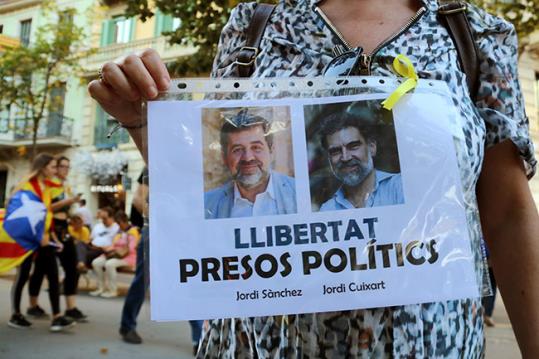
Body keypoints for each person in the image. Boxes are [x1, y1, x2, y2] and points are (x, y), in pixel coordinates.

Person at [88, 0, 539, 356]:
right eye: (336, 149)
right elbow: (206, 212)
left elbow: (509, 214)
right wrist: (144, 125)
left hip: (430, 345)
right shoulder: (254, 28)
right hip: (261, 345)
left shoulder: (475, 37)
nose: (346, 156)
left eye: (354, 147)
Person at [7, 153, 75, 332]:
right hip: (26, 240)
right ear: (43, 167)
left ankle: (57, 317)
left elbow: (45, 215)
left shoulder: (45, 188)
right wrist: (40, 237)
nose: (55, 170)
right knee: (22, 276)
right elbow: (18, 213)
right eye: (53, 167)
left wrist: (52, 237)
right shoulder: (27, 185)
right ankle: (15, 314)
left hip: (44, 238)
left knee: (53, 275)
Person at [27, 155, 88, 322]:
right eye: (62, 166)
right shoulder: (48, 185)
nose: (65, 170)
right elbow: (47, 207)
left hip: (64, 228)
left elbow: (67, 207)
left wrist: (73, 211)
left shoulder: (65, 186)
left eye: (68, 167)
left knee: (72, 267)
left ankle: (71, 307)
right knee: (41, 270)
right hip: (49, 228)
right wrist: (68, 202)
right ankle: (33, 306)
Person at [204, 110, 296, 219]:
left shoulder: (299, 193)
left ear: (271, 151)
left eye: (256, 147)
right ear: (224, 158)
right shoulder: (206, 205)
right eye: (237, 150)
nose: (248, 158)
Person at [317, 112, 404, 211]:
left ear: (372, 147)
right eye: (335, 151)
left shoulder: (399, 187)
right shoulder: (328, 210)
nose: (345, 158)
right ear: (329, 159)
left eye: (353, 146)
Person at [90, 212, 139, 298]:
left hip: (128, 257)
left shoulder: (133, 231)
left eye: (119, 223)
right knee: (96, 262)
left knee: (109, 264)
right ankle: (100, 288)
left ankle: (113, 290)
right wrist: (107, 248)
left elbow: (131, 249)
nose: (119, 225)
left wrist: (114, 249)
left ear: (125, 221)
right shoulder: (119, 231)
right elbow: (114, 244)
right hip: (115, 254)